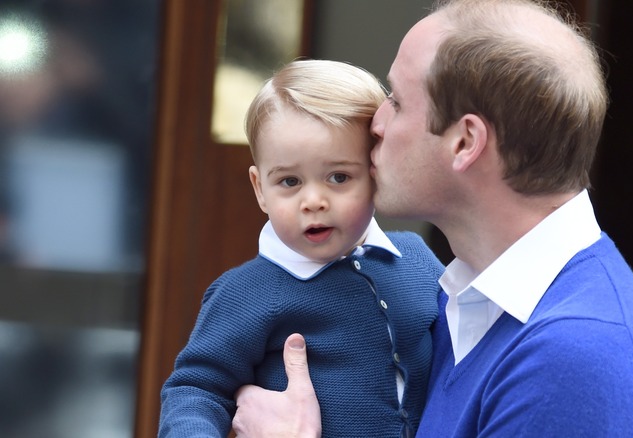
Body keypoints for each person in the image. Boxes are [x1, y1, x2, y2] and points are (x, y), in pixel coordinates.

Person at [231, 0, 633, 437]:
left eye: (398, 101)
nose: (375, 122)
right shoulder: (465, 304)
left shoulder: (579, 358)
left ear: (465, 142)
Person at [158, 59, 444, 438]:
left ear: (377, 170)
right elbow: (197, 388)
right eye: (290, 181)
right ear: (260, 189)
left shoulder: (416, 260)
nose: (313, 201)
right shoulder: (246, 292)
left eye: (338, 177)